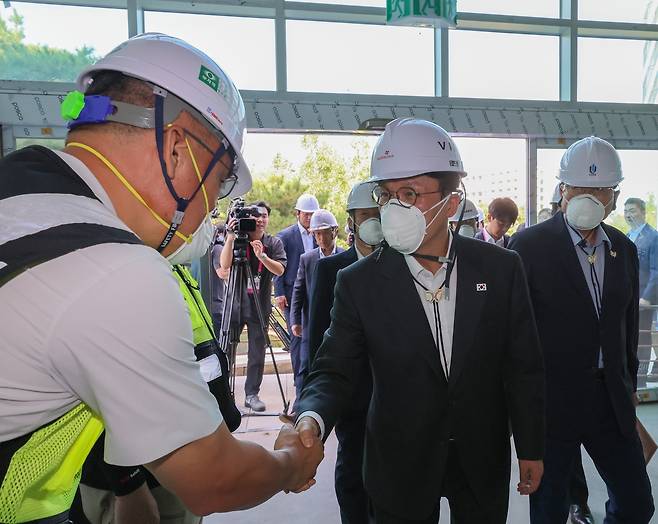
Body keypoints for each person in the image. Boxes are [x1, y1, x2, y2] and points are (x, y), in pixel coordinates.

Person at [0, 33, 322, 523]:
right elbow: (214, 481)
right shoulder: (115, 270)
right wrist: (291, 463)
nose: (209, 212)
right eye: (215, 185)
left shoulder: (21, 190)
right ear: (177, 149)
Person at [294, 118, 545, 523]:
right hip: (398, 460)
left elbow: (523, 366)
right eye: (387, 194)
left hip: (480, 455)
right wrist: (311, 416)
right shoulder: (359, 282)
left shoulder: (500, 269)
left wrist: (531, 446)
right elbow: (333, 369)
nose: (394, 207)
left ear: (451, 199)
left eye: (410, 193)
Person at [509, 136, 655, 524]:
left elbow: (627, 326)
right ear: (562, 190)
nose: (590, 197)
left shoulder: (623, 249)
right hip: (552, 402)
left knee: (638, 503)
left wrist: (631, 385)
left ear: (613, 196)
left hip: (610, 398)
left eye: (601, 189)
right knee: (549, 508)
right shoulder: (528, 247)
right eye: (580, 188)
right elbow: (514, 334)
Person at [303, 180, 383, 524]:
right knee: (353, 474)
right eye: (366, 216)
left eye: (379, 215)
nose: (373, 223)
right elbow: (319, 338)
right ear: (351, 221)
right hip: (352, 395)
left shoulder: (407, 266)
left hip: (397, 397)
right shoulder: (331, 269)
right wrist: (309, 399)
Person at [218, 201, 286, 412]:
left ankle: (251, 394)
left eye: (264, 216)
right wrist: (230, 236)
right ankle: (224, 395)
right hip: (235, 303)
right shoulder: (240, 241)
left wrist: (262, 257)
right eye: (256, 217)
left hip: (259, 305)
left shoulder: (273, 243)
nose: (260, 220)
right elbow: (224, 265)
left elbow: (280, 270)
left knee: (257, 352)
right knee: (227, 349)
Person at [274, 194, 320, 410]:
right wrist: (279, 292)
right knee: (296, 337)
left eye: (313, 214)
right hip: (292, 294)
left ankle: (312, 378)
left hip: (315, 293)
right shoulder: (286, 236)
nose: (310, 218)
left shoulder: (319, 233)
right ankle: (299, 379)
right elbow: (278, 267)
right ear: (297, 213)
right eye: (306, 214)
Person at [290, 209, 343, 377]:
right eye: (316, 234)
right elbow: (298, 291)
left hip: (339, 319)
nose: (320, 238)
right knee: (306, 365)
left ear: (334, 232)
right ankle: (302, 400)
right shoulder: (307, 258)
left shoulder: (345, 256)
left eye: (324, 233)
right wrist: (295, 320)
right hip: (312, 320)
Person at [625, 197, 658, 388]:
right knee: (629, 338)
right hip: (628, 298)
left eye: (633, 211)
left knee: (642, 338)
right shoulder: (628, 235)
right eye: (626, 211)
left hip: (643, 300)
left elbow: (656, 270)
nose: (628, 215)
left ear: (643, 212)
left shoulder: (653, 237)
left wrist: (646, 296)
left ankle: (641, 381)